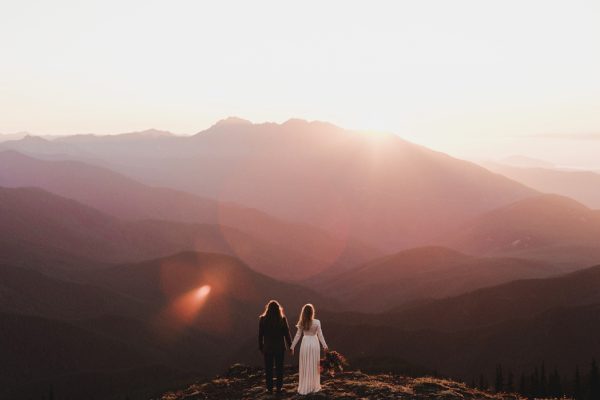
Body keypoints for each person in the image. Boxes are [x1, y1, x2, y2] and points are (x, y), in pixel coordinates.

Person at [290, 304, 329, 395]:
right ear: (312, 312)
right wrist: (325, 346)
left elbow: (298, 335)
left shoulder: (301, 323)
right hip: (314, 344)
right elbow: (320, 335)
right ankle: (314, 385)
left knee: (306, 364)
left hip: (305, 344)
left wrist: (292, 347)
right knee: (314, 364)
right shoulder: (317, 322)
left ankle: (305, 385)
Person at [258, 300, 292, 394]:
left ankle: (269, 389)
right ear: (278, 309)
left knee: (268, 369)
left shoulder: (263, 319)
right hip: (279, 348)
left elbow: (260, 335)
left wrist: (261, 347)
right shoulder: (282, 319)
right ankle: (279, 388)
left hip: (267, 348)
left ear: (268, 309)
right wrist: (291, 346)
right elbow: (287, 334)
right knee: (279, 368)